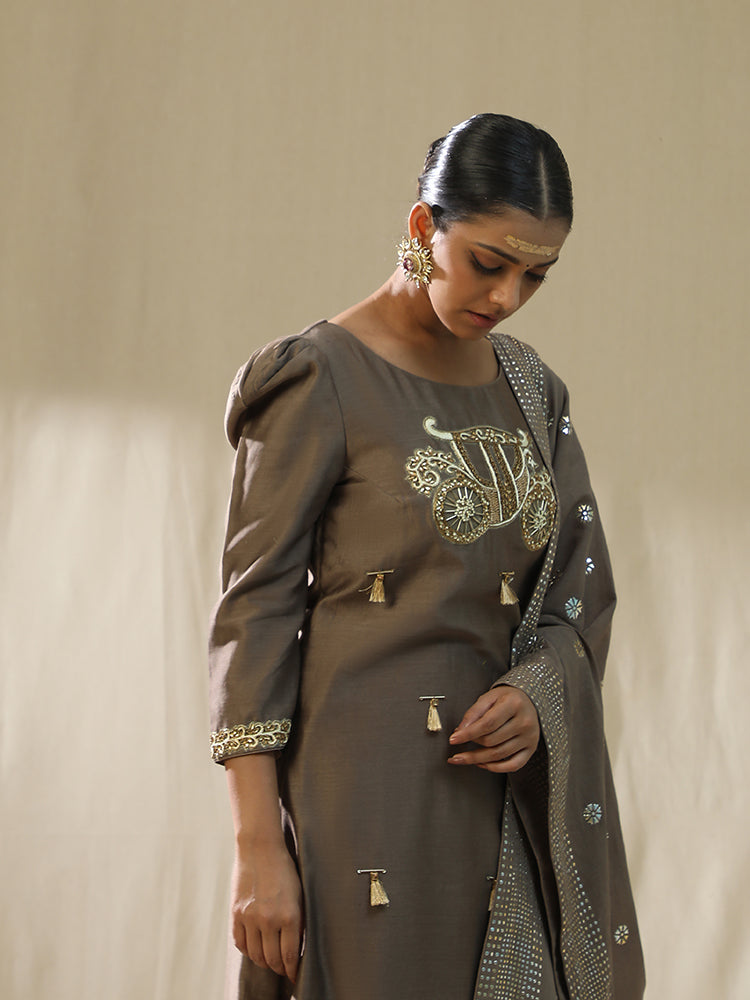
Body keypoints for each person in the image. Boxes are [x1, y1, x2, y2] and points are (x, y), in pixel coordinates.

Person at [208, 113, 645, 1000]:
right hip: (363, 796)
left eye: (535, 275)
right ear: (423, 227)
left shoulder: (531, 389)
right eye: (489, 262)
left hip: (506, 795)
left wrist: (539, 693)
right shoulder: (318, 376)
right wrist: (258, 848)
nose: (508, 296)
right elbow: (254, 616)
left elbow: (579, 586)